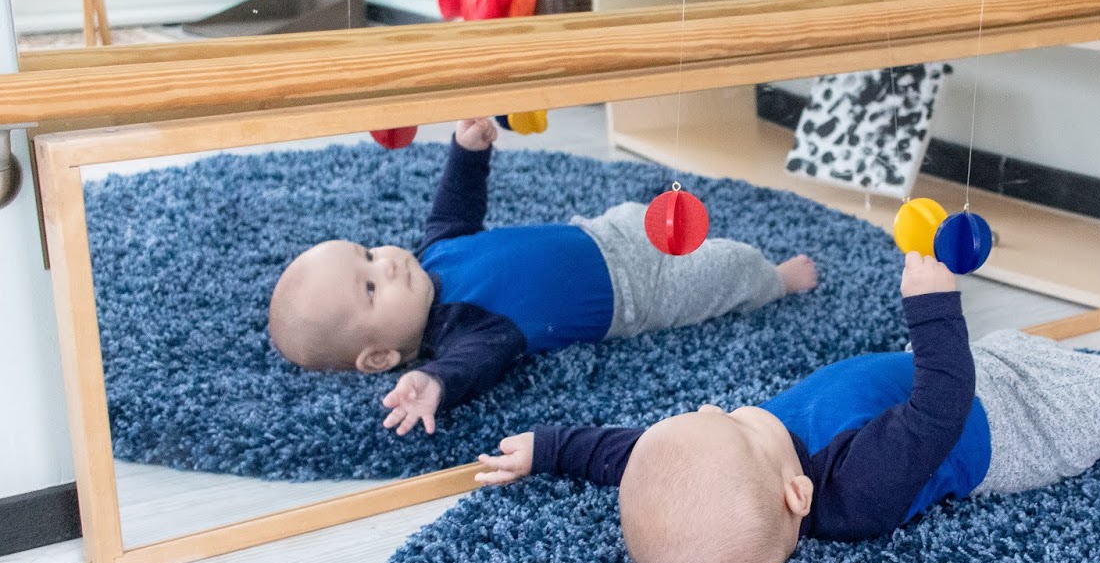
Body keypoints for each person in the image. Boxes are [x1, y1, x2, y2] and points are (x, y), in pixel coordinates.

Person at [475, 252, 1100, 563]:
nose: (713, 406)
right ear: (798, 499)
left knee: (1014, 349)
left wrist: (550, 448)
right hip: (1007, 428)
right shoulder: (858, 492)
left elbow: (630, 457)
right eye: (729, 422)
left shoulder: (747, 467)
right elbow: (939, 409)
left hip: (965, 374)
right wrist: (932, 310)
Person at [268, 118, 817, 434]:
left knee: (657, 216)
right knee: (727, 269)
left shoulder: (433, 255)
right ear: (383, 357)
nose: (384, 263)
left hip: (602, 232)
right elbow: (472, 367)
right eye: (370, 288)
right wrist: (434, 384)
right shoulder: (467, 331)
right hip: (638, 295)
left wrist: (467, 151)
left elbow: (454, 207)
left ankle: (703, 243)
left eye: (366, 253)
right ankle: (776, 280)